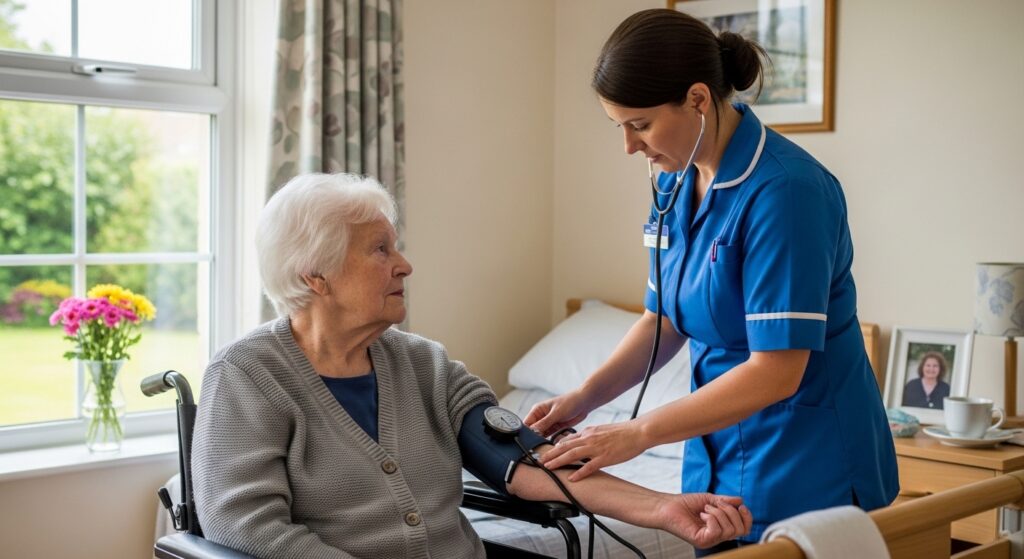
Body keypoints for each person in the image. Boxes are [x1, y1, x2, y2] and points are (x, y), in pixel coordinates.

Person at [191, 172, 752, 559]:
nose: (405, 265)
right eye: (380, 250)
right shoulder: (247, 374)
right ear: (315, 275)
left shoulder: (425, 365)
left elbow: (527, 461)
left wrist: (662, 508)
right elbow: (244, 525)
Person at [525, 9, 898, 554]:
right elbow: (663, 321)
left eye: (640, 125)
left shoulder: (786, 192)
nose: (629, 146)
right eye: (619, 126)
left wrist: (635, 433)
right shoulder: (675, 183)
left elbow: (776, 371)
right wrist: (583, 399)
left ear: (698, 100)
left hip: (806, 464)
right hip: (713, 457)